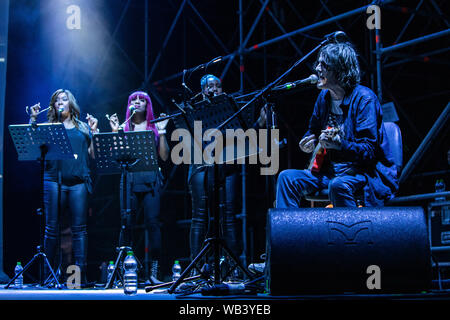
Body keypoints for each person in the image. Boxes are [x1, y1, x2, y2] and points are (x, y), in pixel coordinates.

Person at [275, 41, 399, 208]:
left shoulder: (364, 99)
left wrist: (340, 145)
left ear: (340, 70)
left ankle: (350, 232)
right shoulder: (324, 98)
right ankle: (288, 233)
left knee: (338, 185)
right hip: (332, 173)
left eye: (323, 64)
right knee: (287, 178)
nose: (317, 68)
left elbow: (368, 151)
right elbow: (313, 130)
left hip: (365, 174)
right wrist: (308, 141)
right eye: (318, 63)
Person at [188, 75, 266, 275]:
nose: (214, 89)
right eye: (209, 86)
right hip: (201, 165)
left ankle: (233, 267)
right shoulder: (194, 109)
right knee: (200, 216)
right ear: (202, 90)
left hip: (228, 164)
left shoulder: (230, 108)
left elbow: (244, 136)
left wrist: (259, 122)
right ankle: (197, 268)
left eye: (217, 86)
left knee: (229, 215)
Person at [29, 89, 98, 286]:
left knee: (79, 230)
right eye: (57, 100)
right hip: (52, 180)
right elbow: (33, 147)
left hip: (78, 182)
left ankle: (79, 277)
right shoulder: (49, 127)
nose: (61, 102)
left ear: (71, 104)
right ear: (53, 105)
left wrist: (94, 131)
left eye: (64, 99)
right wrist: (33, 120)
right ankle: (49, 276)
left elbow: (93, 155)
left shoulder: (83, 127)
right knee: (51, 228)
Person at [108, 91, 169, 285]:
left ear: (148, 104)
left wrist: (163, 132)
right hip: (129, 179)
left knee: (153, 224)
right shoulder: (124, 127)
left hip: (151, 179)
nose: (137, 102)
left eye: (142, 99)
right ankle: (123, 272)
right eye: (133, 99)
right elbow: (114, 156)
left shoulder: (154, 127)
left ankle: (154, 272)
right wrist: (115, 132)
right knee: (126, 224)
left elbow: (165, 157)